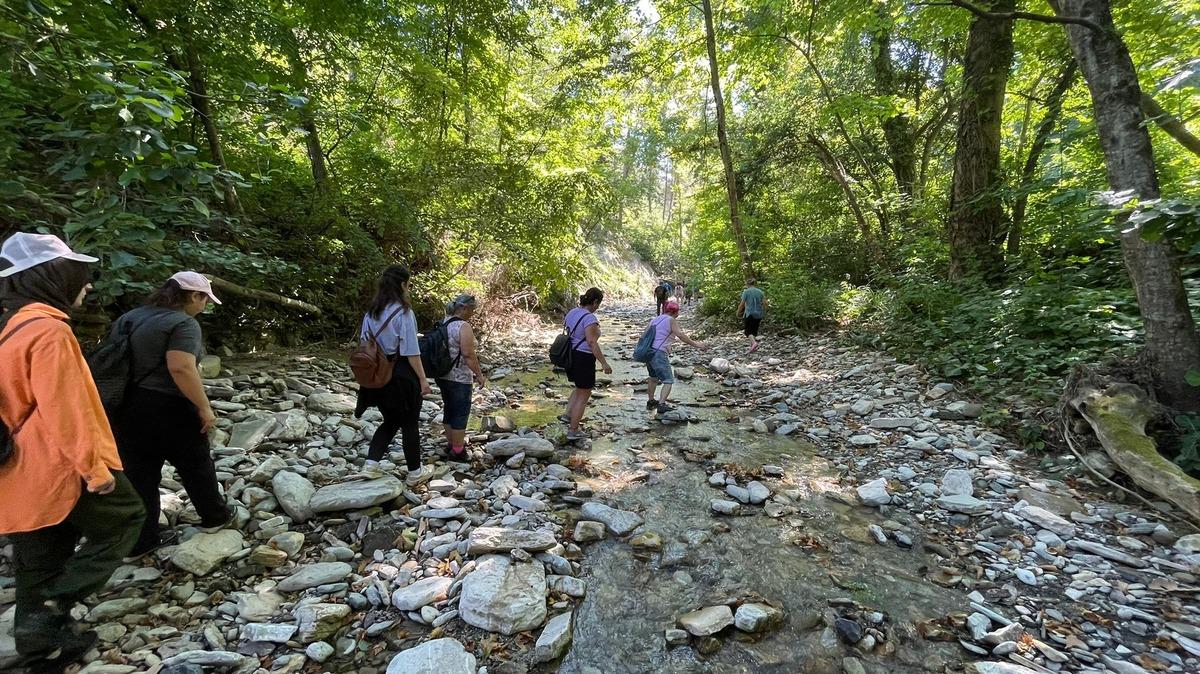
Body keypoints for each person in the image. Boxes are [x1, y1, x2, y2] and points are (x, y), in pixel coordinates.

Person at [0, 233, 144, 669]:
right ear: (55, 277)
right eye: (80, 277)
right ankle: (51, 607)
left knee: (40, 555)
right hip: (57, 463)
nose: (88, 285)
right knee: (127, 517)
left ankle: (40, 650)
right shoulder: (48, 331)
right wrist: (95, 470)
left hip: (15, 469)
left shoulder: (10, 325)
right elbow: (67, 409)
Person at [109, 271, 235, 559]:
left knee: (139, 472)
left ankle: (142, 540)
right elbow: (181, 367)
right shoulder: (183, 323)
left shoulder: (131, 317)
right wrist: (204, 407)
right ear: (194, 296)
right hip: (168, 404)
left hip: (125, 403)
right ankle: (215, 516)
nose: (205, 306)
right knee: (195, 462)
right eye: (205, 299)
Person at [354, 264, 433, 485]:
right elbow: (411, 351)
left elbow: (364, 344)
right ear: (402, 284)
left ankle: (371, 465)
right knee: (409, 423)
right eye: (408, 284)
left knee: (390, 420)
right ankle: (415, 473)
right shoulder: (404, 312)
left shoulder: (371, 312)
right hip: (401, 374)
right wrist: (423, 380)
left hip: (378, 376)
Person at [437, 294, 486, 461]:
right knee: (460, 413)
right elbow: (468, 354)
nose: (473, 313)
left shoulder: (444, 322)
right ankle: (458, 451)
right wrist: (479, 374)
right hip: (459, 376)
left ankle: (450, 444)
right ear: (464, 308)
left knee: (449, 408)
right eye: (472, 309)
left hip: (443, 373)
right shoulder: (463, 326)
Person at [563, 287, 612, 442]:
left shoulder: (572, 312)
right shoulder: (589, 318)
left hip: (570, 355)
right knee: (584, 394)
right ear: (595, 302)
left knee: (579, 388)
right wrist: (604, 363)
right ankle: (573, 430)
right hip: (583, 357)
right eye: (598, 304)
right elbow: (591, 342)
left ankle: (568, 415)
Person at [643, 300, 704, 414]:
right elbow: (680, 335)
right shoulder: (671, 320)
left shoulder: (655, 319)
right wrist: (696, 345)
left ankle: (651, 401)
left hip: (648, 353)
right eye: (678, 311)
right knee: (668, 380)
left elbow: (645, 335)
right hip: (659, 353)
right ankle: (661, 404)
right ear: (675, 311)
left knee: (653, 378)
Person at [737, 278, 767, 353]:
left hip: (749, 313)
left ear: (747, 284)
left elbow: (742, 304)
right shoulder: (760, 292)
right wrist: (765, 310)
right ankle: (753, 347)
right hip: (759, 313)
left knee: (747, 331)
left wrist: (738, 312)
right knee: (754, 331)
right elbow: (765, 303)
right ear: (754, 283)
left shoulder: (746, 292)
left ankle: (754, 343)